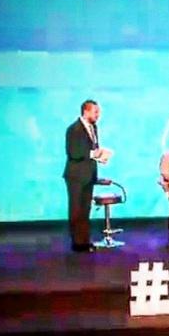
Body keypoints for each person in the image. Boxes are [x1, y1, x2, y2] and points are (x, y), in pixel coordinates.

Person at [63, 99, 106, 252]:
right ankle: (77, 243)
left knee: (85, 210)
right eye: (95, 112)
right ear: (86, 111)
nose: (98, 115)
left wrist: (100, 157)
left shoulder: (93, 127)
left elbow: (92, 149)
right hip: (76, 176)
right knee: (76, 209)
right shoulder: (73, 129)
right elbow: (74, 152)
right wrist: (93, 154)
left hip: (88, 175)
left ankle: (85, 241)